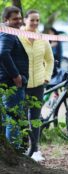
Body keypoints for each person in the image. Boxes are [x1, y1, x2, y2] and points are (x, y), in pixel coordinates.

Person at [19, 9, 54, 161]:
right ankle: (22, 147)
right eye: (32, 20)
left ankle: (35, 150)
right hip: (22, 84)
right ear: (25, 20)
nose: (34, 23)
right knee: (21, 116)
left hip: (38, 84)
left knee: (35, 117)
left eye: (37, 20)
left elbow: (50, 60)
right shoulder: (17, 36)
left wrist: (46, 77)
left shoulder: (42, 39)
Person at [0, 6, 29, 146]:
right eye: (15, 19)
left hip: (7, 82)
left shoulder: (6, 32)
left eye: (20, 18)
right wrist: (16, 75)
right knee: (13, 120)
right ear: (6, 20)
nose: (19, 21)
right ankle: (14, 154)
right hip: (12, 84)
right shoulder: (8, 33)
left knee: (7, 120)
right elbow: (3, 53)